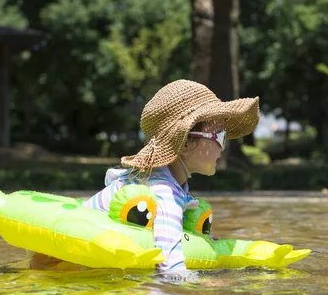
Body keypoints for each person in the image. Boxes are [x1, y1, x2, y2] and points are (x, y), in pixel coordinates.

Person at [68, 79, 258, 275]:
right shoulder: (164, 192)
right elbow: (171, 270)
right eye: (219, 137)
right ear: (184, 145)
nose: (223, 147)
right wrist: (214, 285)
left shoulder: (154, 181)